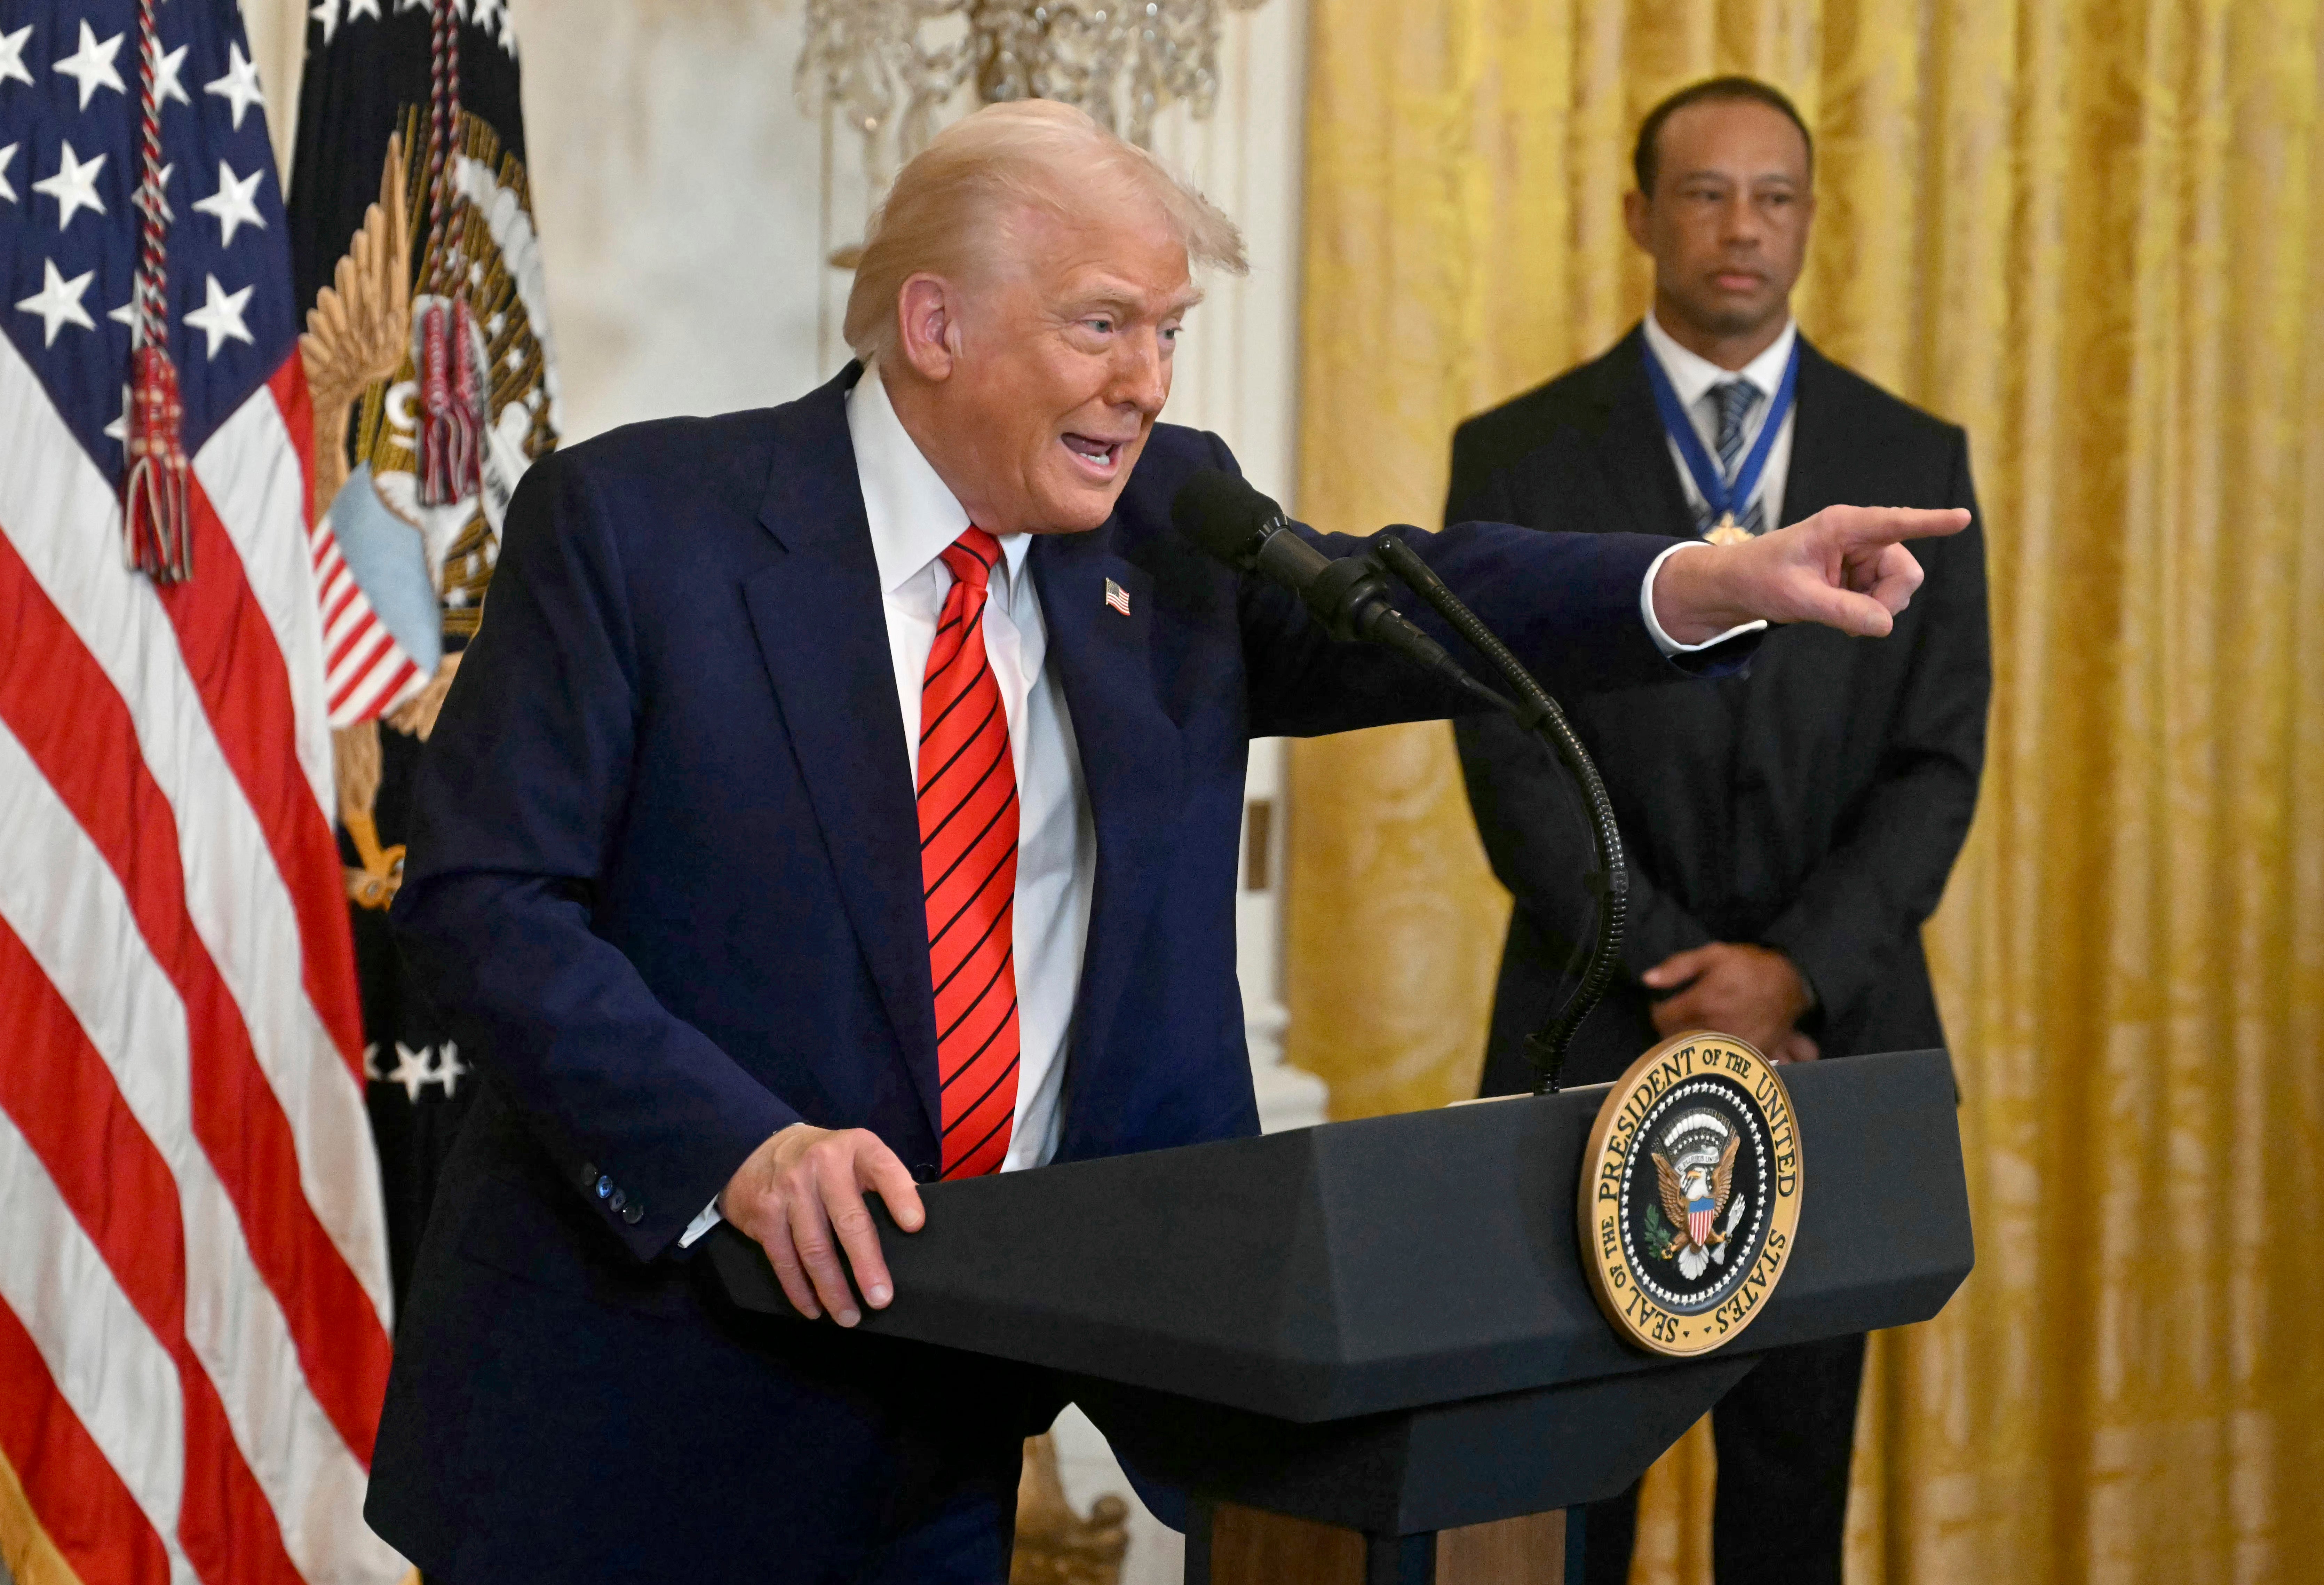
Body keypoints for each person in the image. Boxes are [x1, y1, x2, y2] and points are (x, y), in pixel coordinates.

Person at [364, 98, 1967, 1584]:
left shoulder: (1164, 531)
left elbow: (1418, 592)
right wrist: (737, 1147)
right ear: (934, 324)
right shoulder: (643, 527)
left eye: (1168, 331)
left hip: (953, 1400)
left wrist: (1706, 582)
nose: (1146, 381)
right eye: (1102, 324)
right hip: (647, 1401)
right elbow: (487, 901)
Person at [1447, 77, 1991, 1585]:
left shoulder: (1914, 457)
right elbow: (1510, 756)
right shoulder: (1517, 453)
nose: (1740, 227)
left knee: (1791, 1494)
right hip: (1592, 1028)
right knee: (1567, 1496)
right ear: (1639, 216)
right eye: (1704, 193)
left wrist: (1792, 971)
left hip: (1830, 1047)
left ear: (1809, 220)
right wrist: (1684, 966)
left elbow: (1938, 759)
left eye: (1773, 196)